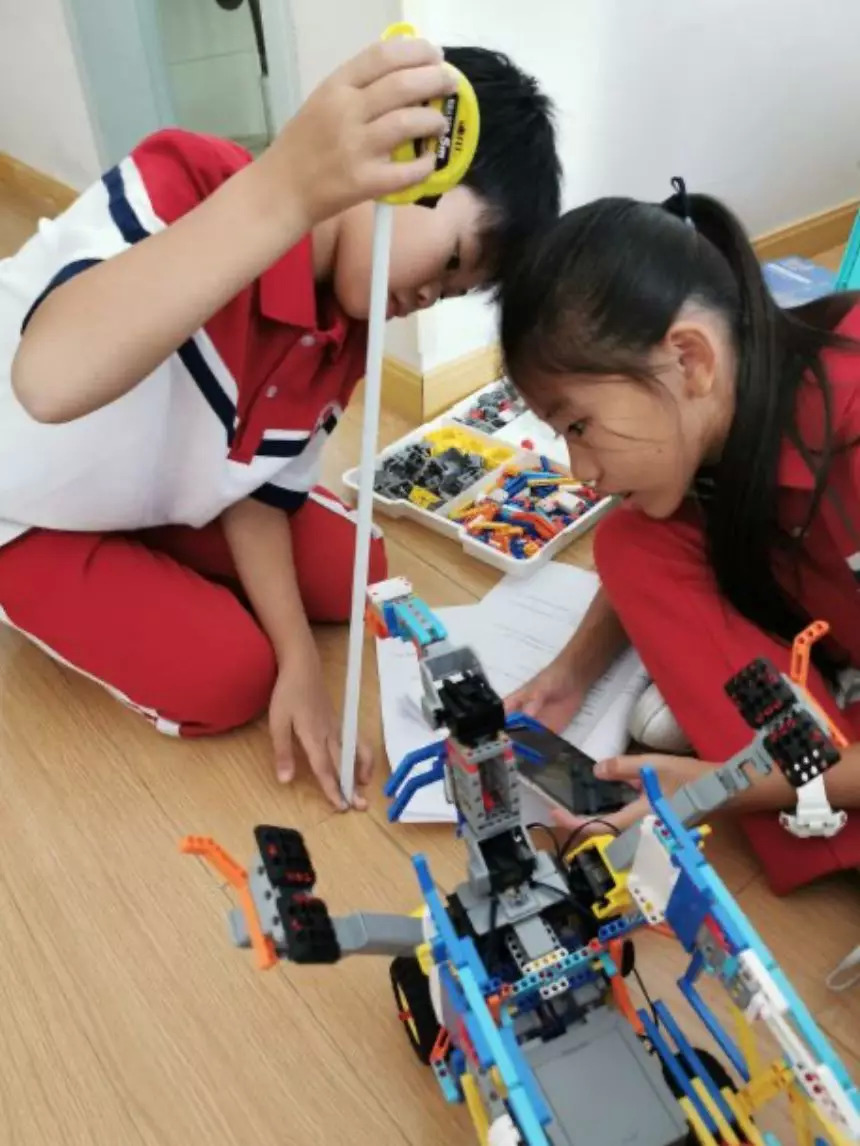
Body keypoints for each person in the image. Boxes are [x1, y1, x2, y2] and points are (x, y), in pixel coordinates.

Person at [0, 36, 561, 811]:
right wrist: (288, 190)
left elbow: (259, 488)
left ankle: (156, 544)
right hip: (25, 499)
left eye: (457, 292)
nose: (432, 296)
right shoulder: (192, 182)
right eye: (453, 261)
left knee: (361, 565)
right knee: (229, 677)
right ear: (403, 161)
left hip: (150, 487)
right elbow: (46, 380)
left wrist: (300, 659)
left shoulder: (347, 332)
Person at [501, 180, 860, 894]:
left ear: (690, 359)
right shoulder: (739, 400)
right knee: (632, 542)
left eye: (580, 426)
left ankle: (822, 801)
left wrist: (718, 786)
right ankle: (816, 788)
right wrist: (571, 671)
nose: (581, 470)